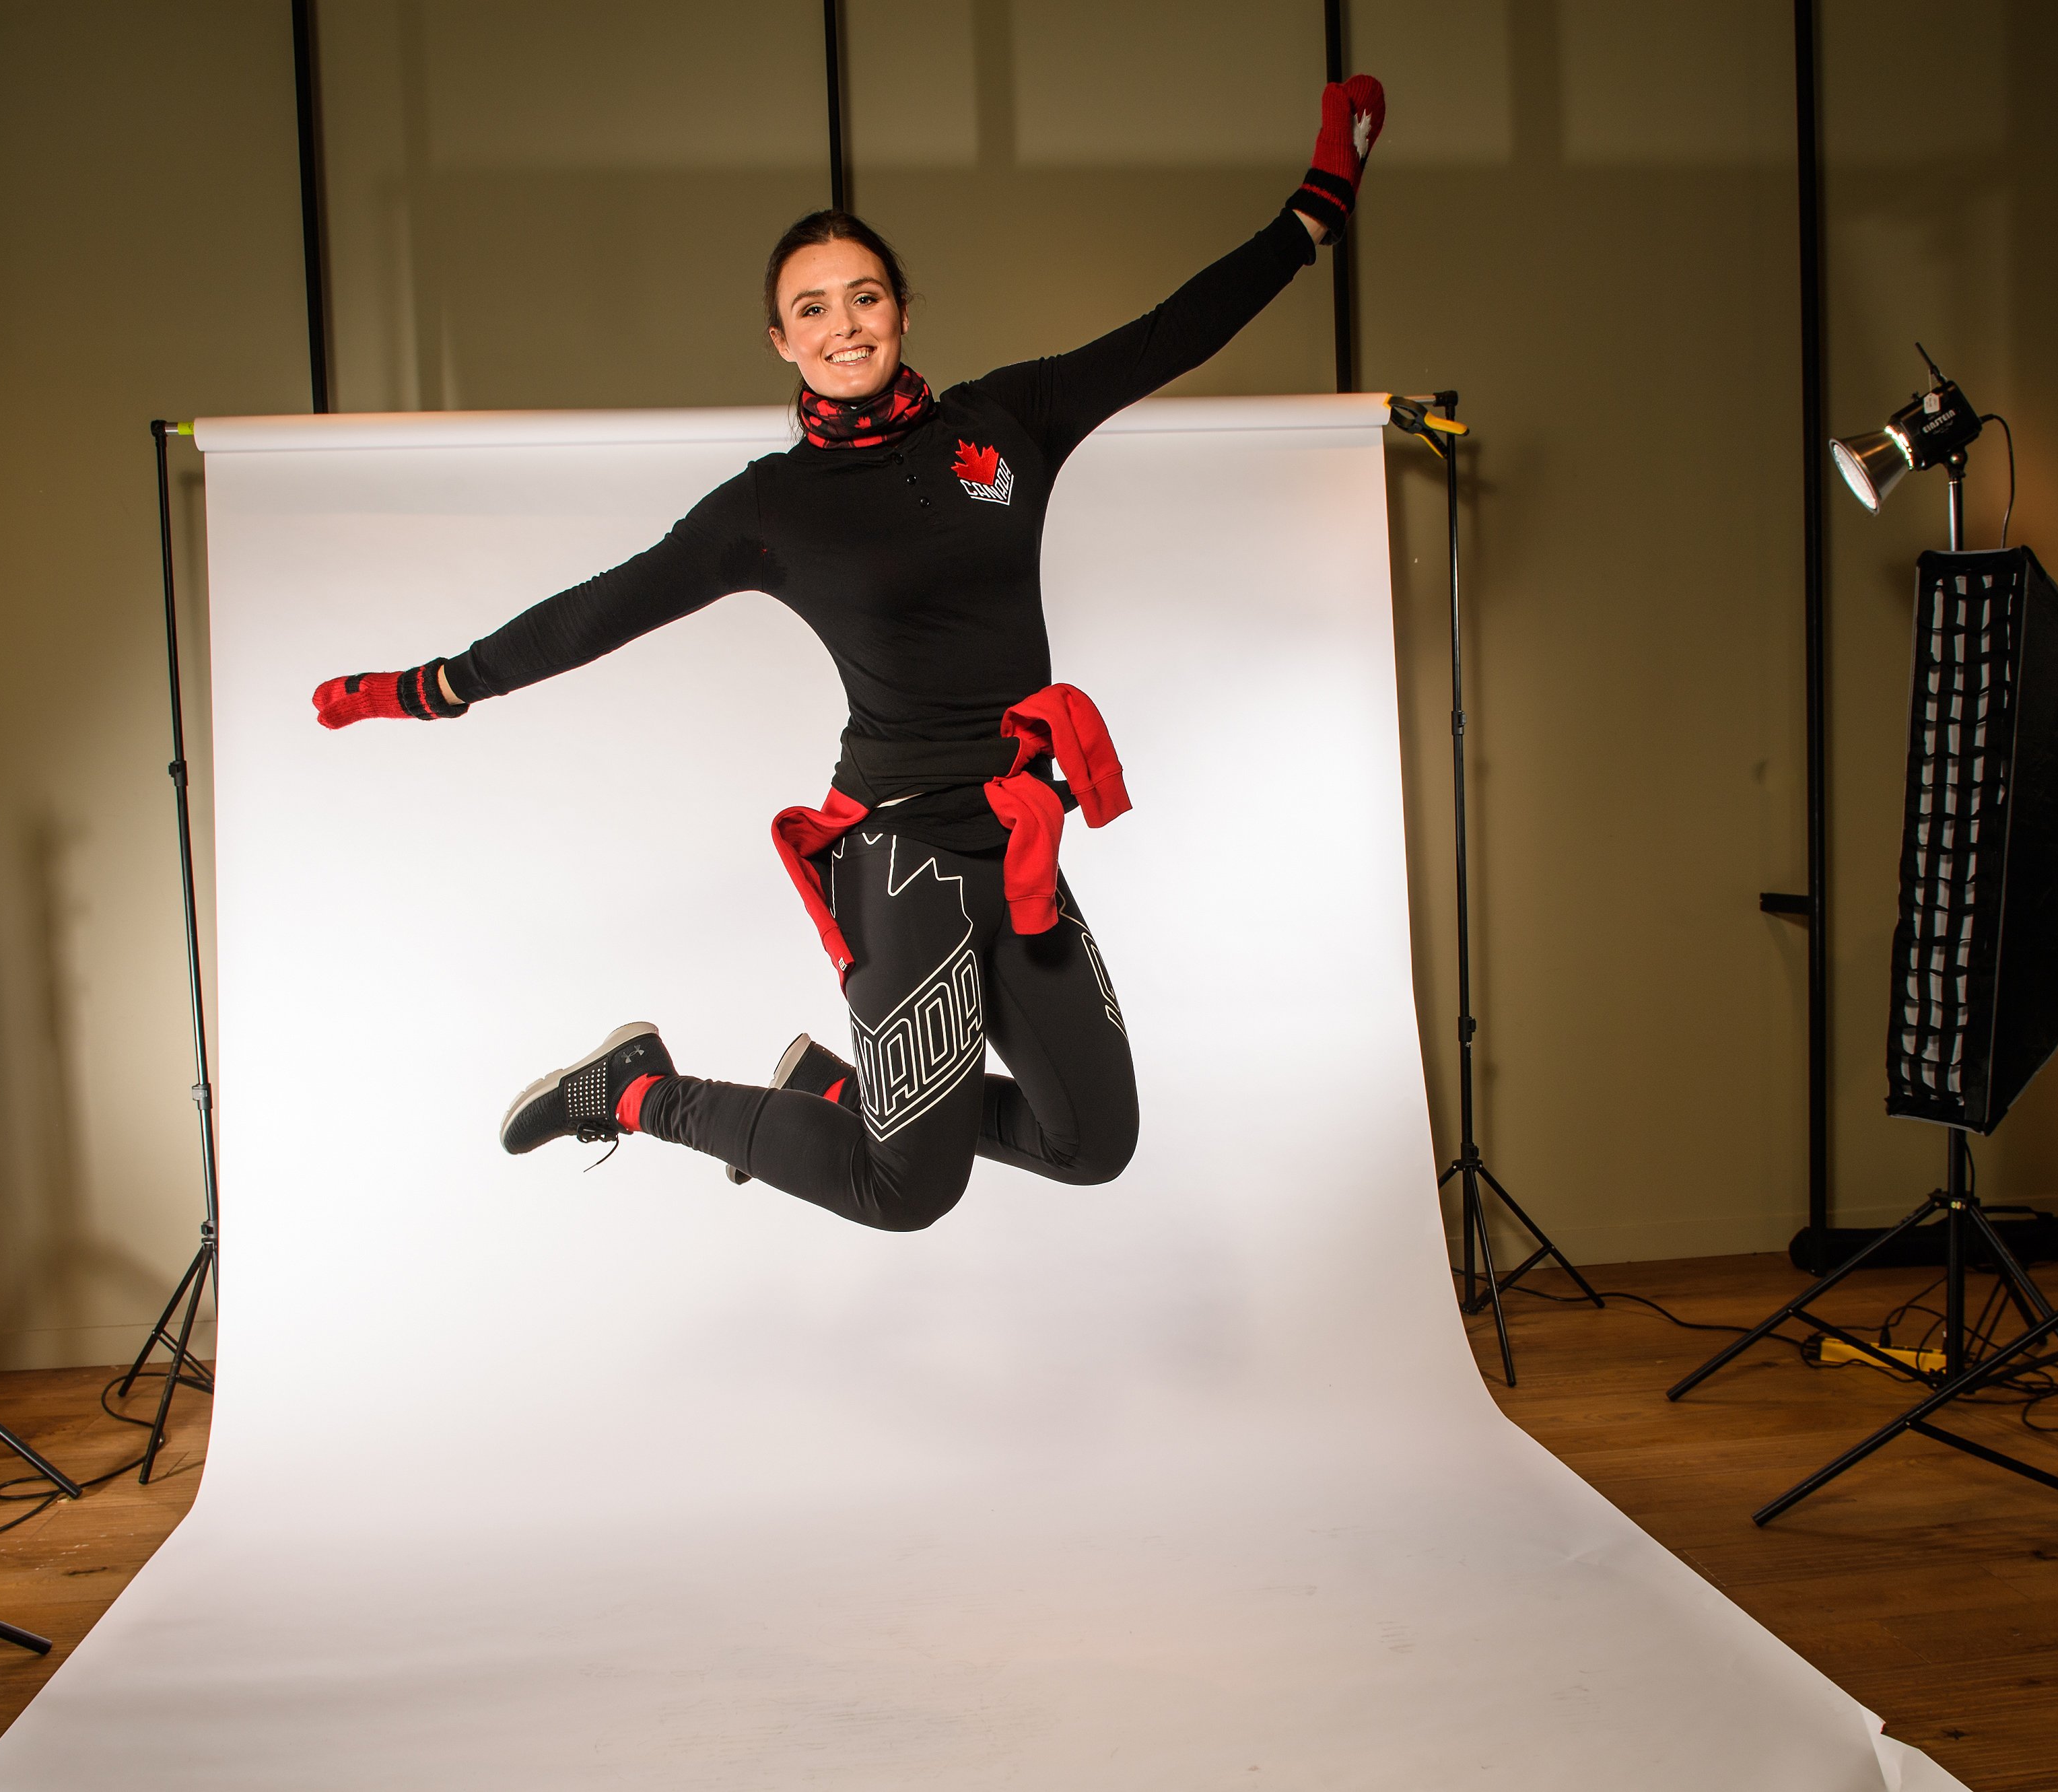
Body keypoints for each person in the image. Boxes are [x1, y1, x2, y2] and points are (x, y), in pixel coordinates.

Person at [314, 76, 1386, 1233]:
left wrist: (1316, 207)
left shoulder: (1005, 423)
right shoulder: (773, 506)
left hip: (1016, 832)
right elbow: (605, 606)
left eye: (864, 296)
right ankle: (634, 1090)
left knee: (1094, 1142)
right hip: (902, 850)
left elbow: (1173, 331)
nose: (845, 325)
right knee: (906, 1188)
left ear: (903, 310)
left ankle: (833, 1090)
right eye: (813, 308)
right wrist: (435, 687)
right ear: (782, 341)